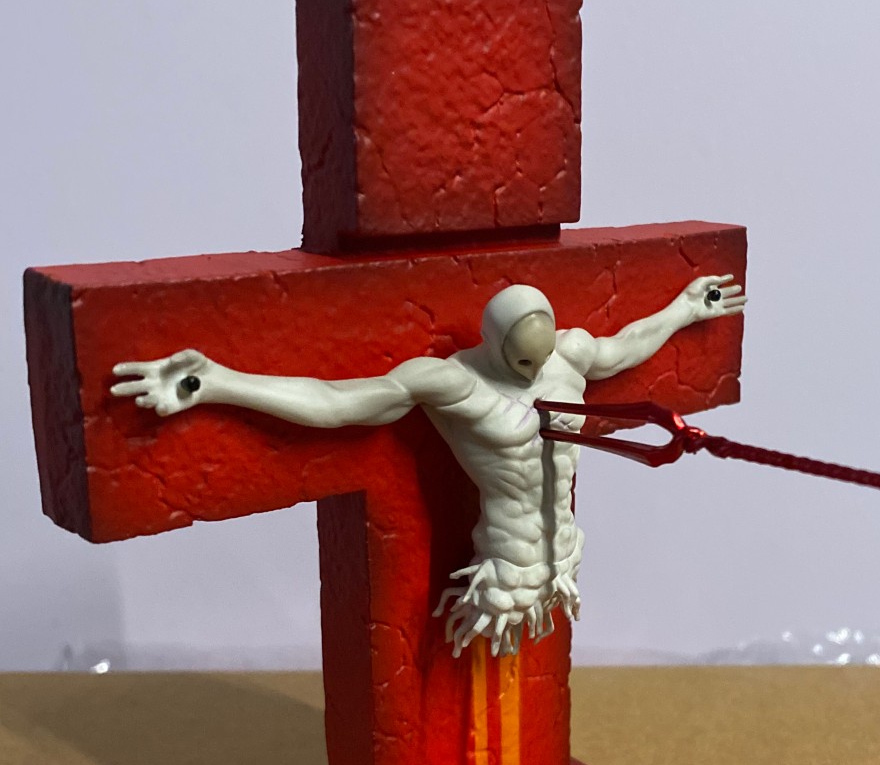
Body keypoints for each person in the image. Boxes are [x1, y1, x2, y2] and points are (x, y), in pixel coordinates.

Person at [111, 273, 746, 656]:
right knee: (467, 719)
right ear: (494, 346)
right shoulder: (451, 383)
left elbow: (624, 347)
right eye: (521, 362)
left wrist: (685, 308)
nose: (534, 372)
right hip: (502, 574)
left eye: (541, 357)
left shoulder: (569, 355)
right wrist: (220, 382)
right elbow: (337, 402)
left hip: (565, 560)